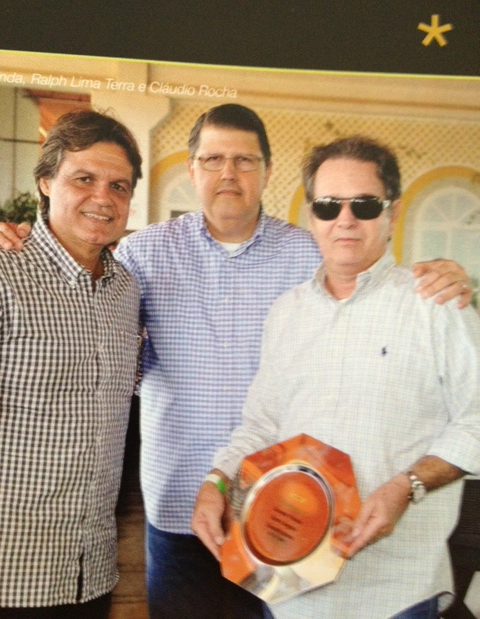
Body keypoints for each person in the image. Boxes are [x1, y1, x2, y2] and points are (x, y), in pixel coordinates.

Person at [0, 105, 472, 619]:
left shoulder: (317, 259)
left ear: (268, 172)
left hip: (286, 519)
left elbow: (371, 276)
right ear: (192, 170)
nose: (229, 173)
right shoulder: (140, 258)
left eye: (245, 161)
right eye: (213, 159)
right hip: (180, 502)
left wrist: (448, 277)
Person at [191, 135, 480, 619]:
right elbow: (261, 425)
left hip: (395, 591)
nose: (345, 219)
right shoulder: (286, 313)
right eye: (328, 206)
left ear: (392, 213)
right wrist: (217, 481)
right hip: (289, 585)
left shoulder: (436, 305)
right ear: (312, 216)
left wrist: (406, 485)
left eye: (363, 204)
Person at [0, 109, 142, 618]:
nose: (103, 198)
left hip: (91, 572)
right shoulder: (6, 276)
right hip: (11, 574)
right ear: (45, 181)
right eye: (84, 179)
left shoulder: (126, 291)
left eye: (119, 186)